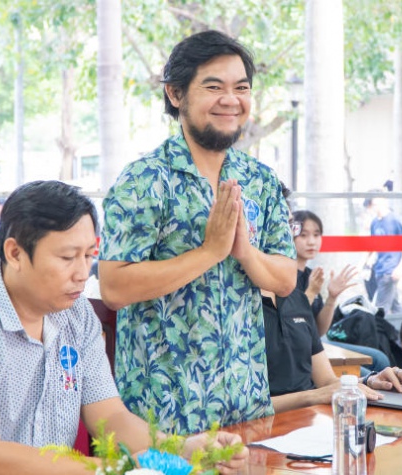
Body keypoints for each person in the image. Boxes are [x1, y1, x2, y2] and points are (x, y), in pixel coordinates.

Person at [0, 180, 247, 475]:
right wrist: (116, 468)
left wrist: (181, 449)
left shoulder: (76, 314)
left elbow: (110, 416)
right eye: (68, 257)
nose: (81, 273)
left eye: (89, 255)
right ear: (15, 253)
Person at [99, 30, 297, 434]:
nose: (231, 100)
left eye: (241, 88)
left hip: (249, 410)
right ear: (175, 94)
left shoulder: (259, 179)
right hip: (164, 419)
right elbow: (114, 288)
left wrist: (246, 253)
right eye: (214, 87)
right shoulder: (144, 180)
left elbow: (285, 279)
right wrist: (209, 252)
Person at [262, 287, 402, 413]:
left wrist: (370, 382)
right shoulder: (241, 306)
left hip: (311, 421)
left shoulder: (298, 300)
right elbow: (243, 409)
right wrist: (313, 396)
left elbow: (327, 381)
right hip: (266, 427)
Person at [290, 209, 390, 373]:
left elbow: (319, 330)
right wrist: (311, 292)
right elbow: (291, 322)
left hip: (315, 342)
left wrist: (332, 297)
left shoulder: (310, 275)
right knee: (367, 374)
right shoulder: (285, 275)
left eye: (316, 235)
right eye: (304, 235)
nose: (311, 242)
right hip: (298, 350)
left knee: (379, 358)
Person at [364, 194, 402, 315]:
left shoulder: (395, 220)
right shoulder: (375, 223)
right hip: (379, 268)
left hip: (390, 270)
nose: (374, 207)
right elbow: (373, 245)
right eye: (373, 205)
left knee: (381, 308)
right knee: (395, 306)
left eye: (376, 204)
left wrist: (400, 268)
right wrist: (366, 262)